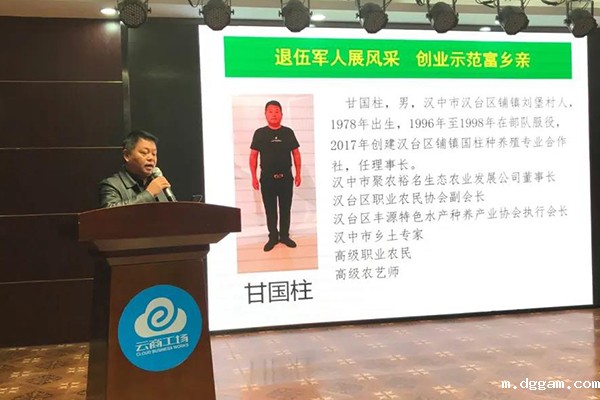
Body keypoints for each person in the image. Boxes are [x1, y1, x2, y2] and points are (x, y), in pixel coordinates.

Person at [249, 100, 301, 252]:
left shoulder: (288, 132)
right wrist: (253, 177)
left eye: (277, 111)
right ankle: (273, 237)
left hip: (286, 178)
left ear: (282, 114)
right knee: (270, 209)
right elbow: (253, 156)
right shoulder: (259, 133)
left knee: (285, 208)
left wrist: (298, 174)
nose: (274, 114)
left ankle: (284, 236)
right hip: (267, 179)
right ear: (265, 114)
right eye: (270, 111)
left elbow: (296, 154)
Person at [99, 130, 175, 208]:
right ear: (127, 155)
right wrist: (149, 194)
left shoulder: (157, 182)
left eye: (154, 154)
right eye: (144, 153)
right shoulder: (111, 185)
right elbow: (110, 213)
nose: (151, 158)